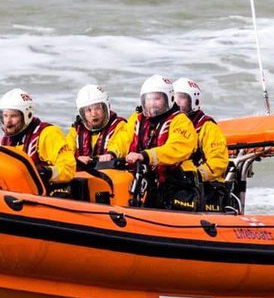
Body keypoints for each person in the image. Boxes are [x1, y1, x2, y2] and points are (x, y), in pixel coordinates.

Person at [124, 75, 199, 209]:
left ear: (169, 98)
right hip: (145, 181)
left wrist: (145, 156)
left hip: (174, 183)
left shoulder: (181, 121)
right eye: (148, 99)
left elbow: (176, 148)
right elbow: (121, 140)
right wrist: (110, 154)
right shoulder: (136, 120)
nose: (152, 103)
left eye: (157, 98)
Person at [0, 88, 75, 185]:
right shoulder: (7, 139)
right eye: (5, 116)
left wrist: (46, 172)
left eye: (13, 116)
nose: (8, 121)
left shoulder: (48, 133)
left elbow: (68, 169)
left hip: (48, 192)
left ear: (27, 115)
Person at [173, 78, 228, 184]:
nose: (177, 102)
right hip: (175, 181)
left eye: (182, 97)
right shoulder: (169, 125)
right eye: (174, 97)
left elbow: (218, 162)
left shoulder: (207, 127)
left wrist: (196, 175)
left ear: (194, 101)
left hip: (203, 187)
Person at [66, 84, 131, 167]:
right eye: (88, 110)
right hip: (83, 174)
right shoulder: (76, 130)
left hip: (111, 171)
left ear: (106, 108)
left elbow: (120, 143)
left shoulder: (119, 125)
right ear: (83, 114)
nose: (93, 114)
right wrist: (76, 158)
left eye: (97, 108)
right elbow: (67, 150)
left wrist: (111, 154)